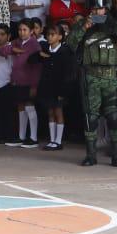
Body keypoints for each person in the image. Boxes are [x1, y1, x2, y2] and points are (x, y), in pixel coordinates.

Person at [72, 0, 117, 166]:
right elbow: (70, 43)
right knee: (91, 117)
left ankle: (116, 155)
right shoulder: (83, 25)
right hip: (91, 77)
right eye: (95, 9)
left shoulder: (113, 25)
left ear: (106, 9)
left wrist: (110, 24)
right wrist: (84, 26)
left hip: (111, 78)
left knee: (113, 116)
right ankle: (91, 155)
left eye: (101, 9)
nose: (98, 12)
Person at [0, 18, 42, 148]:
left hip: (29, 82)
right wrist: (13, 50)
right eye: (20, 30)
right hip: (17, 81)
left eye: (25, 30)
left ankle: (33, 137)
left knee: (30, 107)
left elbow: (37, 67)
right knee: (21, 108)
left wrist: (34, 85)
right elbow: (2, 50)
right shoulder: (17, 42)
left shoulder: (34, 45)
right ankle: (21, 137)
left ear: (31, 31)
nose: (22, 32)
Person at [35, 22, 76, 150]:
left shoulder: (65, 51)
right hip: (47, 87)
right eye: (48, 35)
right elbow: (32, 59)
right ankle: (52, 140)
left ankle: (58, 141)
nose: (49, 37)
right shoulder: (46, 49)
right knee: (50, 113)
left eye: (53, 35)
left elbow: (67, 73)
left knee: (58, 112)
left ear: (60, 37)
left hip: (59, 88)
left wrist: (63, 91)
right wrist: (40, 55)